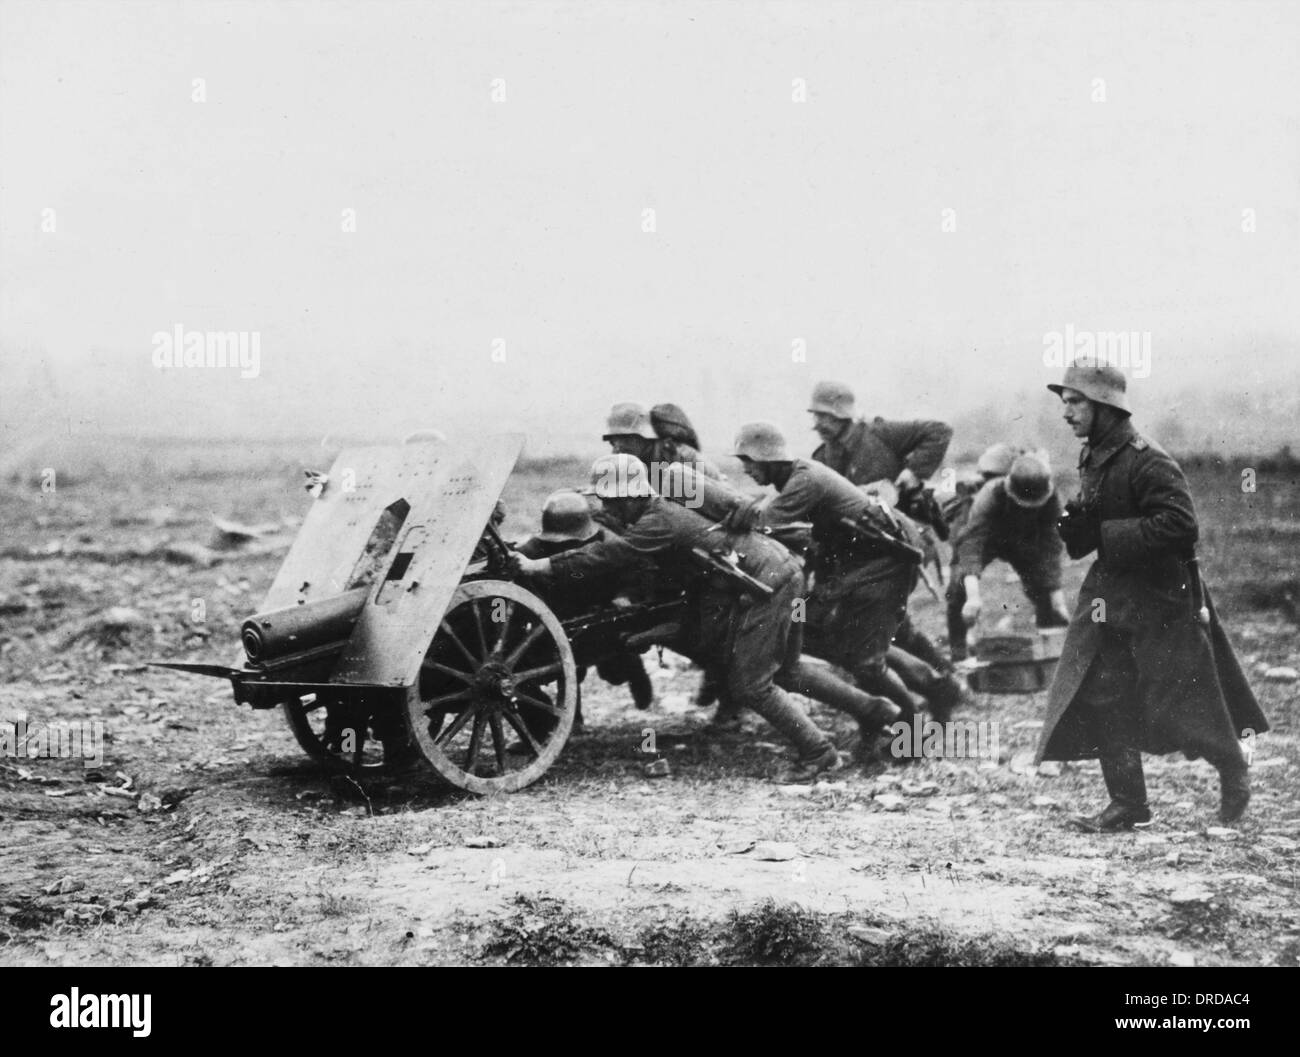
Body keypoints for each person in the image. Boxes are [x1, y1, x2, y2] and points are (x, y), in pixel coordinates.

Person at [516, 455, 896, 780]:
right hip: (778, 569)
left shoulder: (657, 520)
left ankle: (819, 754)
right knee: (787, 672)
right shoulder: (655, 510)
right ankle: (875, 711)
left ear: (630, 494)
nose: (607, 509)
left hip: (767, 582)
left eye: (611, 500)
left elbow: (608, 557)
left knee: (750, 685)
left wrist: (542, 565)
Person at [1036, 359, 1268, 830]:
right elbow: (1092, 525)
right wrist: (1073, 523)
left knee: (1178, 700)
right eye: (1064, 403)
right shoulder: (1094, 454)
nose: (1067, 413)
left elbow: (1182, 527)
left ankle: (1232, 767)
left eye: (1075, 402)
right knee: (1100, 691)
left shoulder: (1148, 459)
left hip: (1161, 598)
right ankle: (1128, 803)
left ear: (1104, 405)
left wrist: (1106, 533)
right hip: (1109, 594)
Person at [729, 421, 970, 724]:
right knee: (818, 633)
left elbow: (762, 525)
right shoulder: (795, 478)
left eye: (748, 462)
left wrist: (722, 513)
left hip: (883, 566)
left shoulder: (804, 479)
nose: (746, 471)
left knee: (866, 662)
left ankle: (913, 724)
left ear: (766, 457)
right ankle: (936, 687)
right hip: (854, 567)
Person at [807, 380, 956, 679]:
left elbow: (939, 431)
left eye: (825, 416)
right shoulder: (821, 459)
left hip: (898, 546)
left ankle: (934, 681)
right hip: (855, 553)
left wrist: (914, 473)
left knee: (883, 622)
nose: (818, 424)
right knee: (890, 624)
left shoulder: (881, 435)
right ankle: (940, 674)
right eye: (816, 416)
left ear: (842, 414)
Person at [515, 490, 656, 713]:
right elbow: (519, 558)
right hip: (558, 620)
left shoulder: (604, 543)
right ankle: (573, 720)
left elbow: (635, 571)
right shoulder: (535, 548)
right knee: (564, 668)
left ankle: (635, 672)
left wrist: (624, 594)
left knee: (615, 672)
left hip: (602, 620)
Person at [946, 451, 1070, 661]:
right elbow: (972, 543)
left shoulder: (1051, 497)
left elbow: (1050, 545)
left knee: (1044, 591)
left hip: (1023, 538)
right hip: (988, 536)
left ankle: (1052, 653)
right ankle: (959, 654)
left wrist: (1056, 597)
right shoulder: (990, 494)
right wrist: (974, 596)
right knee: (958, 588)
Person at [602, 401, 722, 480]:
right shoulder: (632, 461)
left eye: (625, 439)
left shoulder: (680, 457)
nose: (618, 447)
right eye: (613, 442)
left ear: (643, 437)